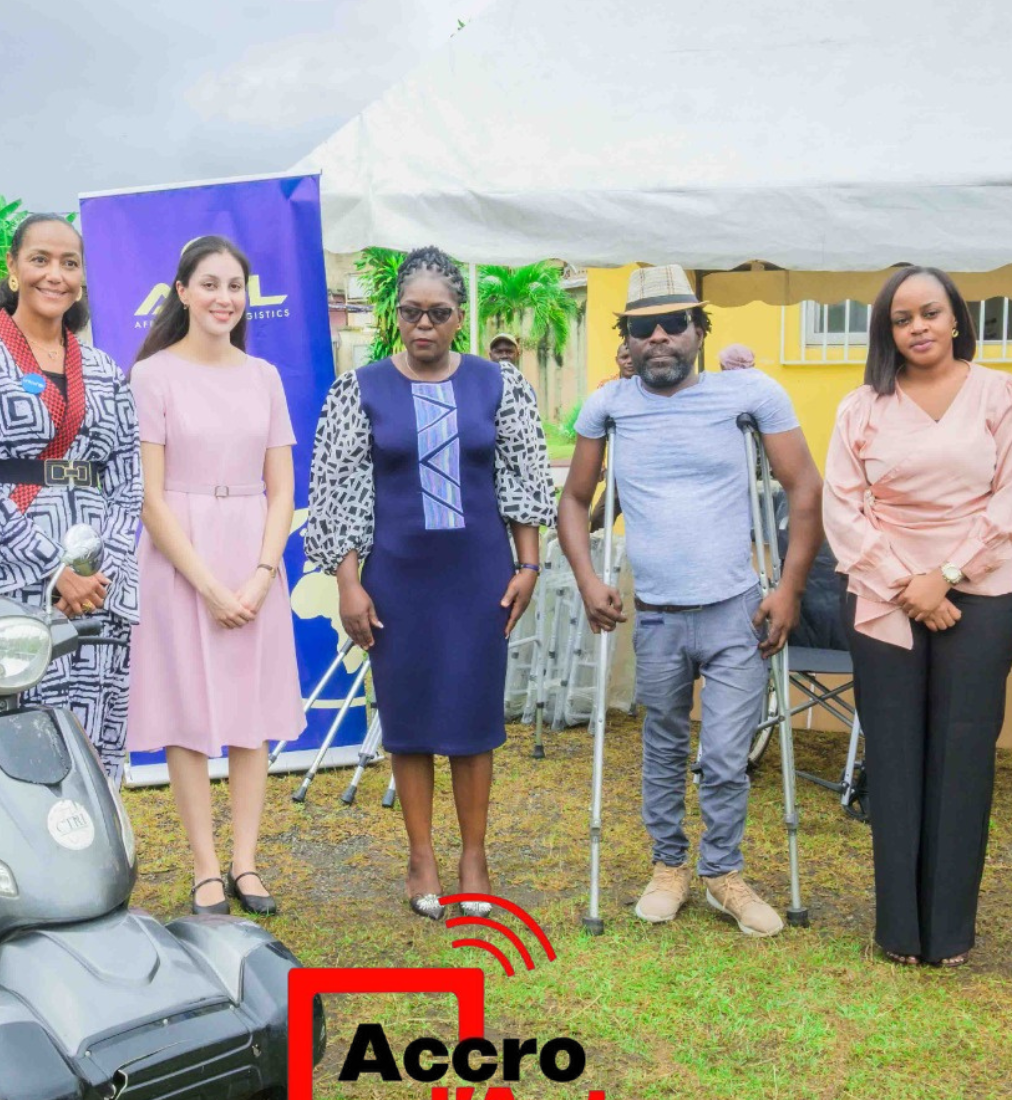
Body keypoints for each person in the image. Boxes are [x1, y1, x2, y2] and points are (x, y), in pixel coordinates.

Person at [557, 265, 822, 934]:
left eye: (675, 324)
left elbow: (805, 487)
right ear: (630, 339)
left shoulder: (749, 394)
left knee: (729, 754)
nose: (661, 337)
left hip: (738, 609)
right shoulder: (609, 405)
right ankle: (669, 866)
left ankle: (722, 872)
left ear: (700, 332)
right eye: (645, 328)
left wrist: (789, 587)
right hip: (659, 616)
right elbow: (574, 500)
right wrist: (590, 579)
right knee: (665, 745)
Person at [306, 246, 555, 921]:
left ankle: (474, 857)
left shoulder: (498, 383)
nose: (423, 325)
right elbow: (336, 493)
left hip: (480, 575)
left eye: (438, 314)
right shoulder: (358, 389)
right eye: (411, 312)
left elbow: (526, 479)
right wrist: (348, 584)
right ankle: (422, 856)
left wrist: (527, 566)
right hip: (396, 578)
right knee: (409, 717)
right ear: (395, 315)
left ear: (459, 317)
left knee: (474, 715)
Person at [823, 266, 1012, 967]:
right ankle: (898, 931)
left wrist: (943, 576)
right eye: (901, 318)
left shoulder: (1003, 395)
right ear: (888, 331)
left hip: (982, 592)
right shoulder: (860, 407)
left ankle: (949, 931)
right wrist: (902, 582)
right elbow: (842, 509)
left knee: (962, 755)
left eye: (930, 313)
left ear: (955, 320)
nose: (917, 327)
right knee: (895, 755)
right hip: (885, 598)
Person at [128, 236, 306, 915]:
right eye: (209, 284)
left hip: (254, 548)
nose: (223, 298)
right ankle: (205, 867)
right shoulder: (153, 376)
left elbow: (283, 488)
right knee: (187, 713)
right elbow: (151, 496)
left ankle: (246, 863)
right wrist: (207, 584)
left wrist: (263, 573)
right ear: (182, 291)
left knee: (250, 715)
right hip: (181, 559)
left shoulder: (264, 377)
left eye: (234, 286)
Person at [0, 213, 142, 771]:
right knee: (15, 745)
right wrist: (54, 572)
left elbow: (127, 477)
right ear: (13, 269)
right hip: (10, 579)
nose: (56, 275)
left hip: (97, 588)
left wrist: (103, 570)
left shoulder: (102, 369)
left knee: (93, 742)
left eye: (70, 263)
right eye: (40, 260)